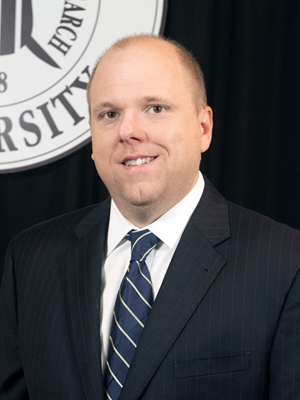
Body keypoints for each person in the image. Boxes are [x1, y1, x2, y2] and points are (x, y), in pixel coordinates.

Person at [0, 35, 299, 400]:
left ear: (202, 128)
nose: (128, 132)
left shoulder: (286, 263)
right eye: (109, 114)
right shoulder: (30, 260)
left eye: (155, 108)